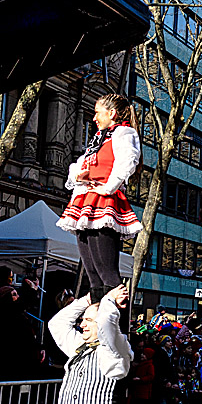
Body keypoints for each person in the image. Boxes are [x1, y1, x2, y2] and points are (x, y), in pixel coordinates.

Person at [58, 93, 143, 301]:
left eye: (97, 113)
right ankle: (96, 319)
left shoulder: (123, 133)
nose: (94, 118)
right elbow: (78, 166)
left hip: (103, 201)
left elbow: (128, 161)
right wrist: (79, 175)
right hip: (85, 199)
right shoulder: (99, 139)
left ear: (111, 113)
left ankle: (114, 327)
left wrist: (108, 187)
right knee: (92, 274)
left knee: (106, 271)